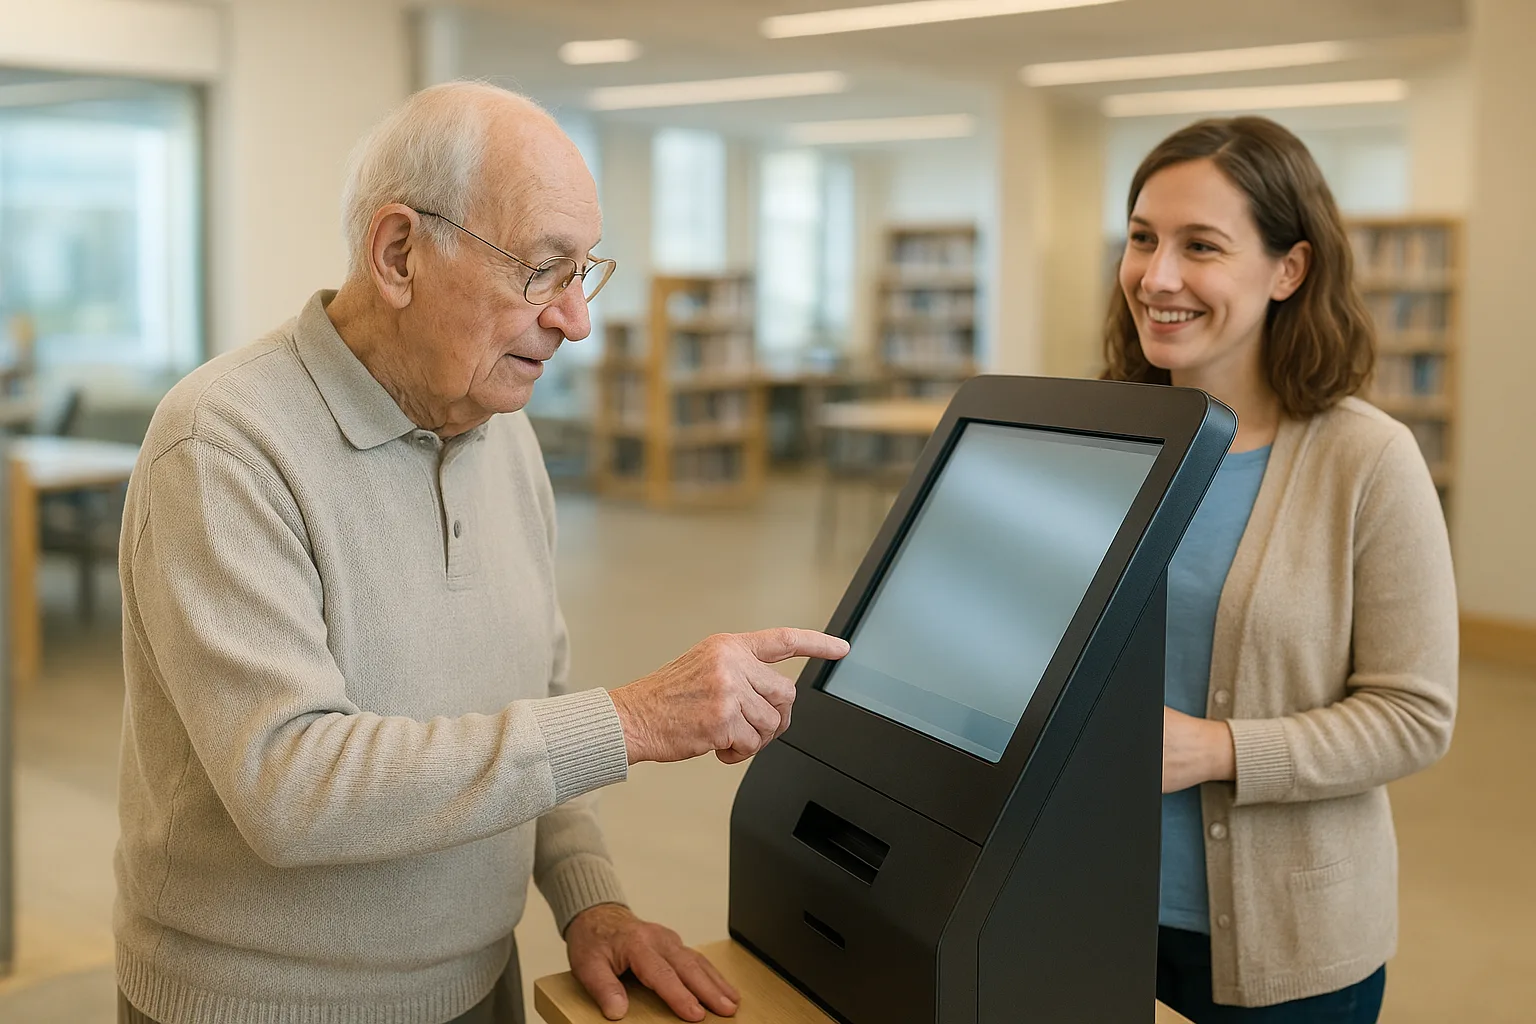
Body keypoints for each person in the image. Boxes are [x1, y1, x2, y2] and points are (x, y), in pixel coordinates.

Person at [114, 81, 848, 1024]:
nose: (575, 319)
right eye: (542, 270)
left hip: (479, 985)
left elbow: (526, 716)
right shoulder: (221, 446)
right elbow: (290, 786)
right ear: (398, 254)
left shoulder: (506, 435)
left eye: (586, 271)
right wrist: (628, 720)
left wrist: (591, 898)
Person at [1103, 117, 1458, 1023]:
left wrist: (1216, 750)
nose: (1158, 276)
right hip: (1082, 903)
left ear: (1289, 269)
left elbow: (1415, 716)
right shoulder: (1102, 434)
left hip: (1289, 940)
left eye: (1202, 247)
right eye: (1142, 239)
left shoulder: (1367, 460)